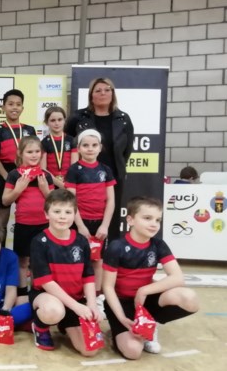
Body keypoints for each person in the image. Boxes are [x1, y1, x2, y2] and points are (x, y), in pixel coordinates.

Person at [103, 197, 199, 359]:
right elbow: (107, 287)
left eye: (158, 220)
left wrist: (144, 290)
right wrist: (121, 317)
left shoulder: (158, 245)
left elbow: (178, 278)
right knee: (133, 352)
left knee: (189, 298)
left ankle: (150, 324)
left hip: (145, 300)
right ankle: (117, 332)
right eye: (147, 218)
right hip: (122, 303)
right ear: (130, 220)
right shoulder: (116, 247)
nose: (154, 224)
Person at [28, 189, 100, 356]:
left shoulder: (81, 241)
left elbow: (88, 275)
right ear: (46, 214)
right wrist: (76, 307)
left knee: (90, 351)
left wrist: (91, 303)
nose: (62, 216)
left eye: (68, 212)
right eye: (57, 211)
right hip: (46, 297)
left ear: (74, 215)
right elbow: (46, 282)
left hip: (75, 299)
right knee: (54, 311)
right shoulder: (39, 242)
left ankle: (64, 324)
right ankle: (40, 326)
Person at [65, 77, 134, 243]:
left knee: (112, 217)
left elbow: (127, 150)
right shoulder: (78, 117)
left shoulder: (124, 119)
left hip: (112, 176)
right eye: (98, 90)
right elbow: (67, 143)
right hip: (82, 176)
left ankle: (109, 259)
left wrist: (115, 168)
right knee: (77, 213)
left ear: (112, 94)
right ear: (91, 96)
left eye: (107, 89)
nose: (103, 93)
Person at [64, 129, 115, 300]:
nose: (90, 149)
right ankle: (77, 296)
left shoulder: (105, 170)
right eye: (85, 145)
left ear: (100, 148)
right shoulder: (74, 170)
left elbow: (111, 201)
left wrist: (105, 225)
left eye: (94, 145)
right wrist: (80, 225)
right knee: (77, 260)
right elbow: (71, 201)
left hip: (99, 224)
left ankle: (98, 297)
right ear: (78, 148)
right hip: (79, 223)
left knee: (97, 261)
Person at [2, 136, 54, 294]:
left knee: (42, 261)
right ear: (20, 153)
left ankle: (40, 291)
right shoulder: (14, 175)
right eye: (29, 151)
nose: (34, 155)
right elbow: (5, 201)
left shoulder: (45, 175)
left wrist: (45, 190)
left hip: (44, 225)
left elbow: (54, 203)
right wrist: (18, 189)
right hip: (23, 224)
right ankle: (23, 292)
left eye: (37, 151)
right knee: (22, 260)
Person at [0, 89, 36, 243]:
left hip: (28, 173)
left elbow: (37, 152)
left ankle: (28, 253)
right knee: (3, 216)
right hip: (6, 173)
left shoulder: (29, 129)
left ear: (23, 108)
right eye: (10, 104)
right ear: (3, 107)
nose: (14, 107)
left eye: (18, 104)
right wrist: (6, 176)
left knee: (29, 211)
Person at [40, 106, 78, 189]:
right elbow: (43, 168)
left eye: (60, 119)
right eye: (53, 120)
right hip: (51, 183)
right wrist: (58, 183)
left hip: (69, 183)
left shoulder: (72, 140)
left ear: (65, 120)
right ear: (47, 122)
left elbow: (74, 165)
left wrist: (67, 183)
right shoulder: (44, 143)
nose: (57, 123)